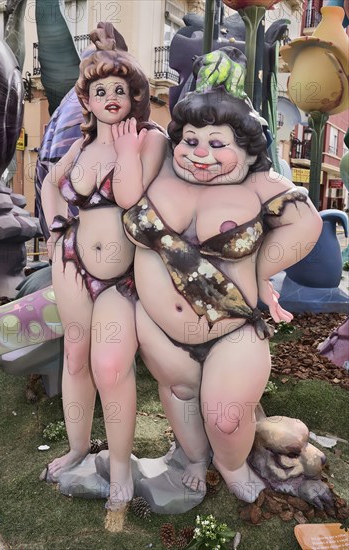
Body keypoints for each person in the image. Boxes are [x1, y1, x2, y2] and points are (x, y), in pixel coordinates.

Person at [115, 48, 323, 503]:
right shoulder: (161, 168)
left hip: (232, 328)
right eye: (191, 140)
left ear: (247, 153)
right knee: (181, 393)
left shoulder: (258, 186)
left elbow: (308, 224)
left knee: (226, 416)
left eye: (216, 143)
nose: (199, 154)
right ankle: (192, 457)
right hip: (159, 328)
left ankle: (231, 465)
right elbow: (124, 193)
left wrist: (259, 270)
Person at [41, 22, 166, 509]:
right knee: (75, 358)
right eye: (99, 90)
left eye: (120, 88)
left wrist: (129, 151)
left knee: (110, 366)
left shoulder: (149, 140)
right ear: (86, 100)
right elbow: (52, 183)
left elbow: (131, 196)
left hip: (122, 276)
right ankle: (76, 449)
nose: (110, 96)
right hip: (70, 260)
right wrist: (55, 228)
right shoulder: (80, 145)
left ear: (135, 94)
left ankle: (119, 467)